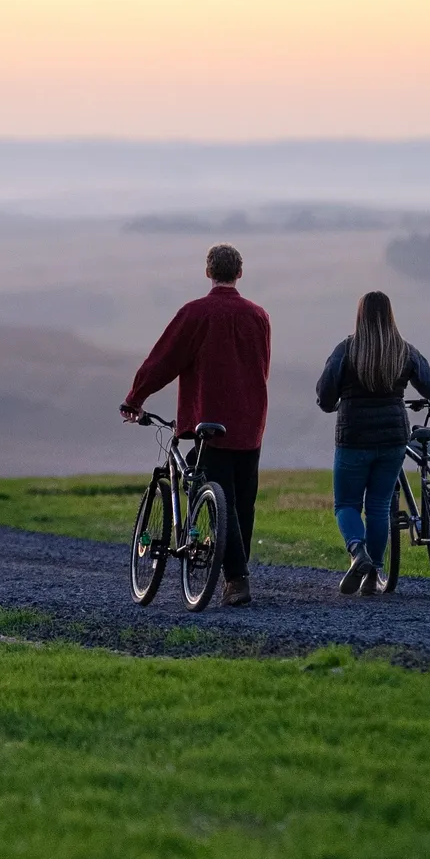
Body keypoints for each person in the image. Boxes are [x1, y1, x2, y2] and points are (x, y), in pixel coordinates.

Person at [121, 244, 271, 606]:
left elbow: (163, 360)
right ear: (240, 273)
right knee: (242, 502)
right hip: (251, 422)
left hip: (211, 420)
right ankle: (235, 572)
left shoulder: (195, 313)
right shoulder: (259, 316)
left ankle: (236, 579)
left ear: (208, 272)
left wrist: (135, 397)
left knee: (220, 497)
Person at [316, 290, 430, 595]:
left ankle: (356, 551)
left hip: (353, 437)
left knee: (347, 504)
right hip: (393, 439)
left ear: (359, 315)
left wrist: (332, 403)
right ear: (391, 315)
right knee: (378, 507)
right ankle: (373, 573)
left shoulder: (346, 350)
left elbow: (324, 395)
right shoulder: (404, 351)